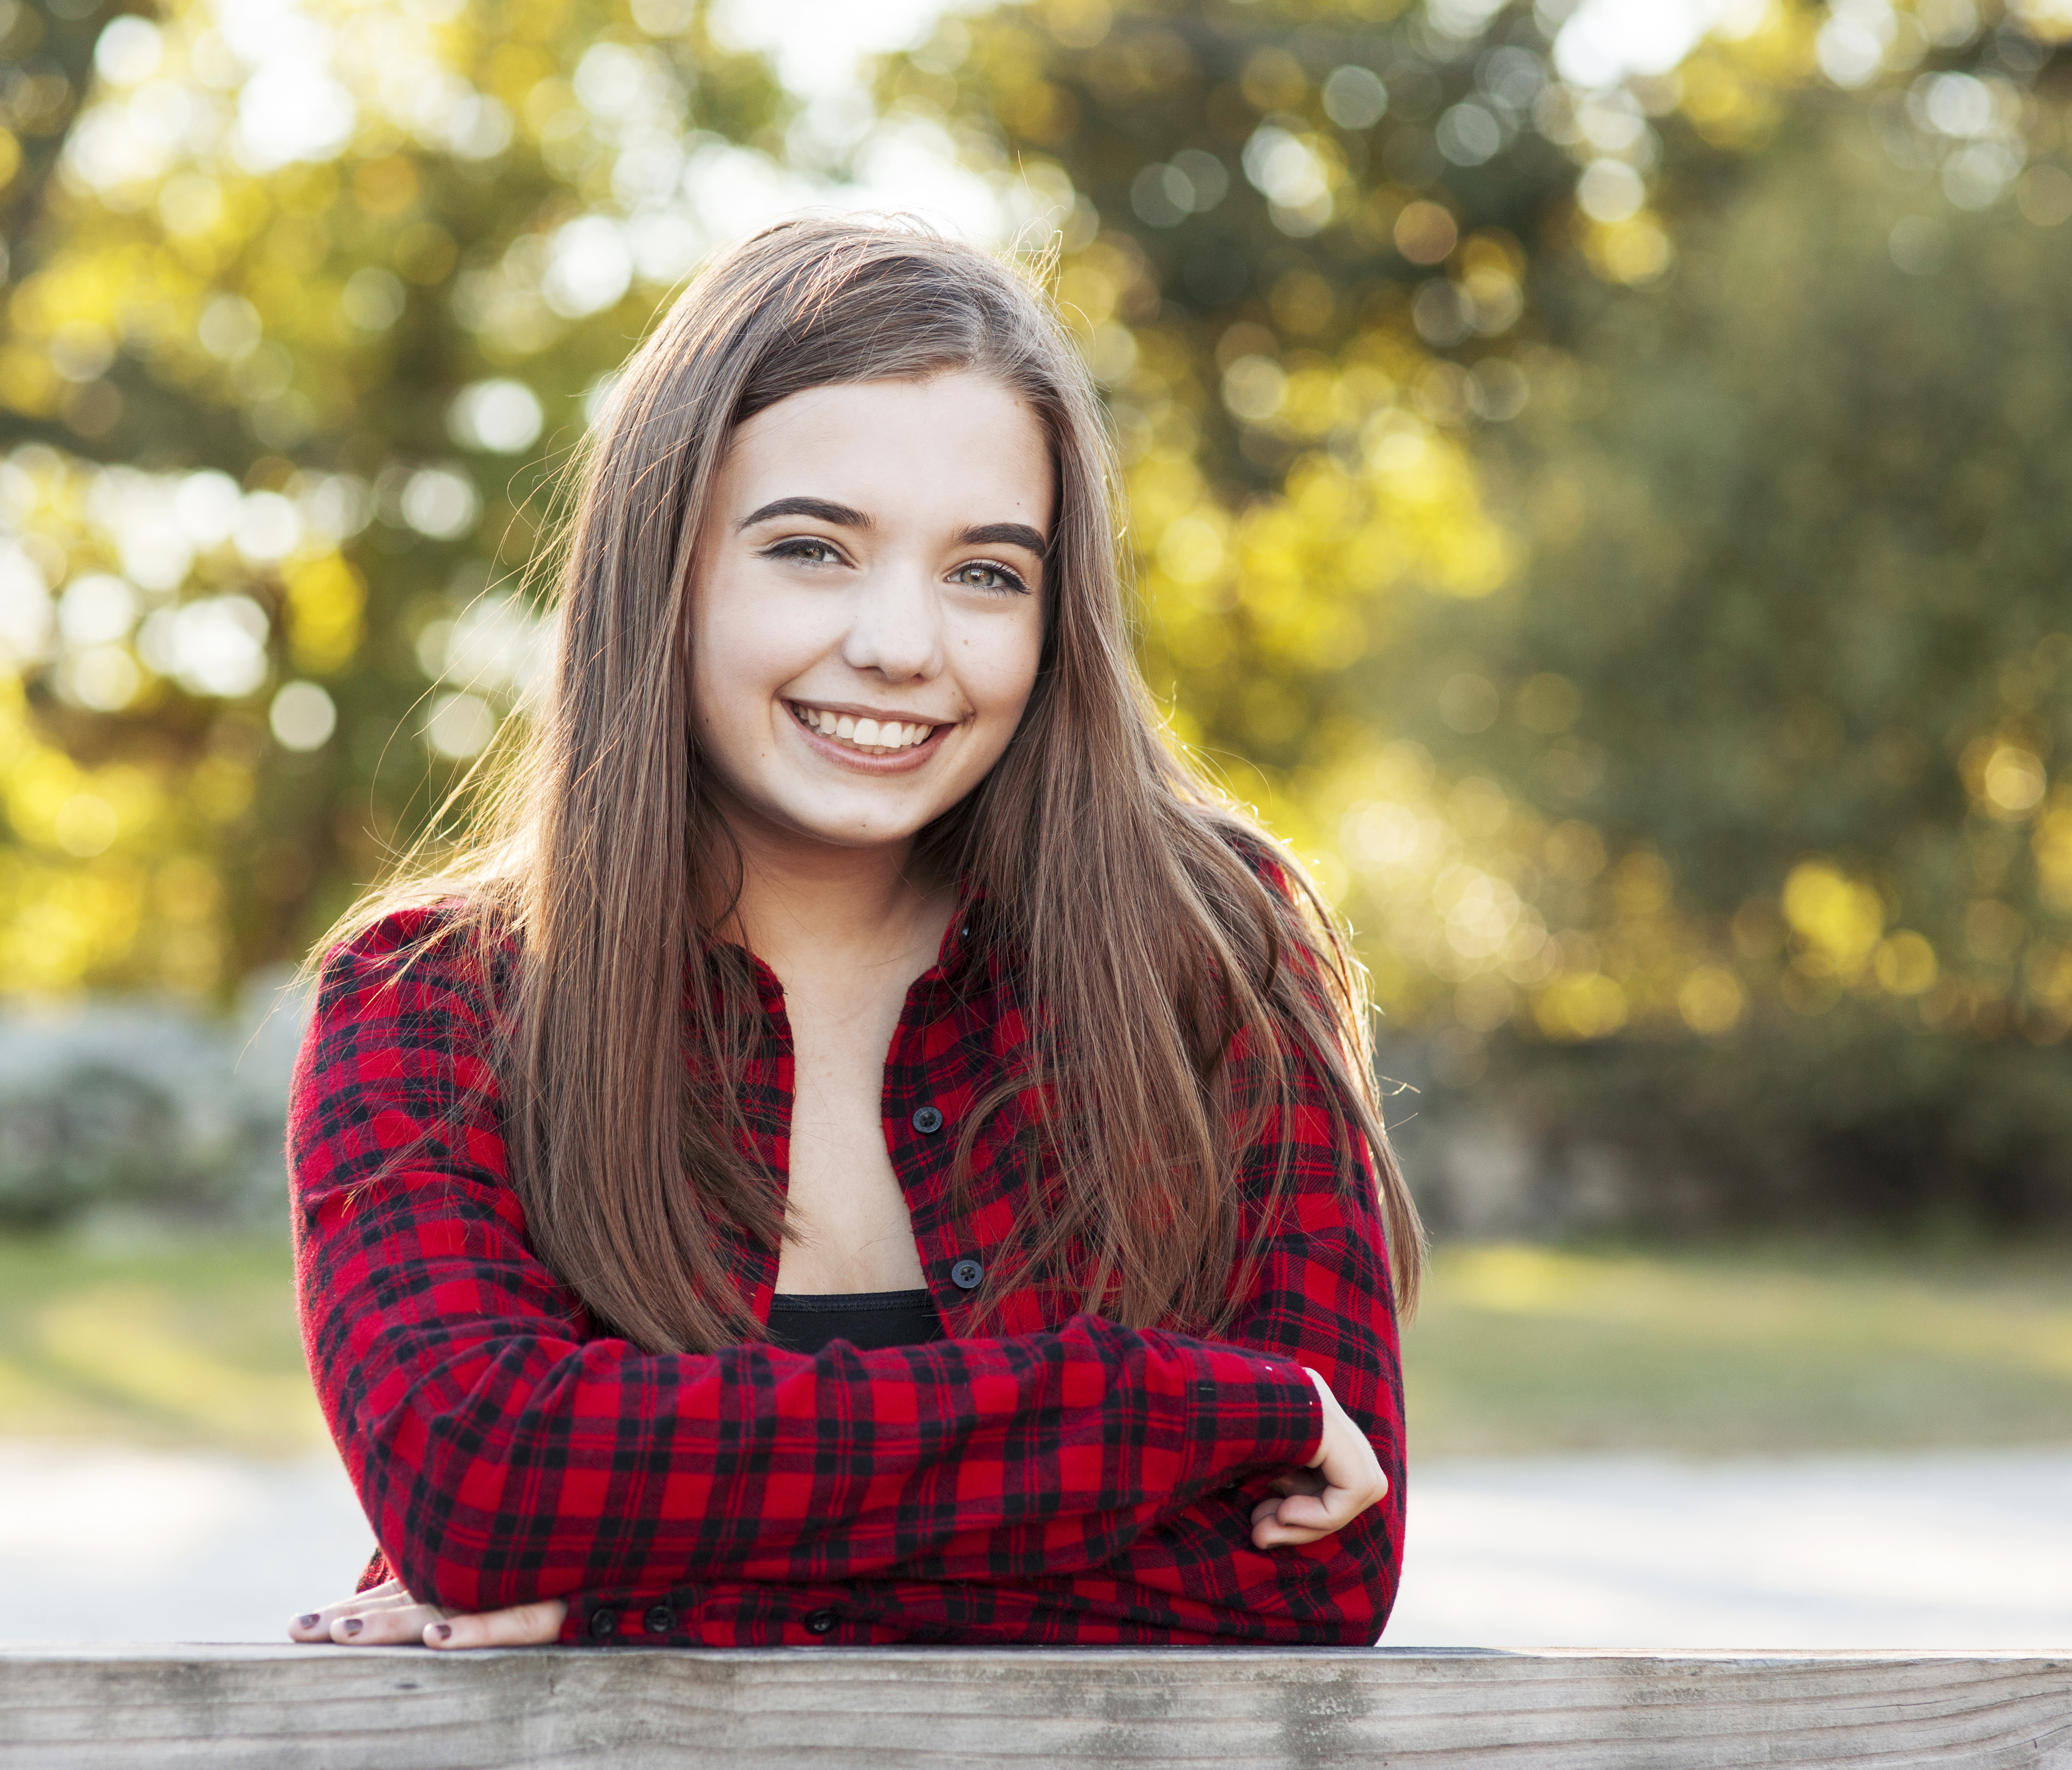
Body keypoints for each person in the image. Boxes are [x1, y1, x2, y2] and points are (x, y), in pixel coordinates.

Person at [282, 215, 1419, 1651]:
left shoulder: (1210, 958)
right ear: (665, 567)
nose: (901, 643)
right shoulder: (429, 1004)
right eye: (814, 549)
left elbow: (1308, 1573)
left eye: (987, 572)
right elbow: (479, 1487)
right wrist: (1171, 1408)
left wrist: (628, 1592)